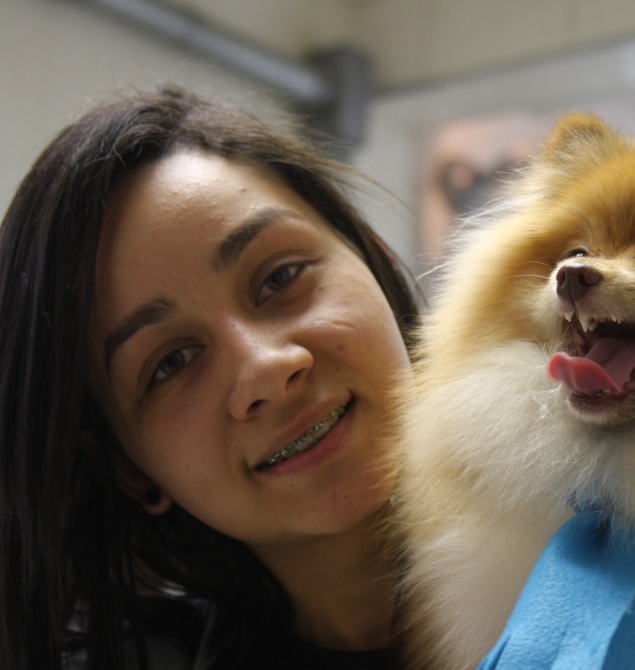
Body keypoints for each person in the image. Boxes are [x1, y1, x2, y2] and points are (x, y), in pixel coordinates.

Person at [0, 86, 419, 670]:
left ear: (377, 260)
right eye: (171, 362)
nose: (265, 370)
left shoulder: (590, 532)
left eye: (280, 278)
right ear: (124, 467)